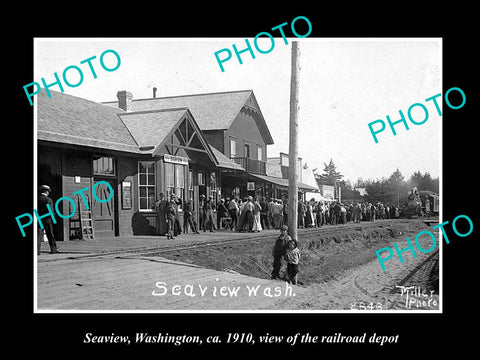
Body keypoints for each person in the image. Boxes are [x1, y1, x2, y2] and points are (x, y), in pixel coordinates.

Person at [37, 185, 59, 254]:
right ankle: (53, 249)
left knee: (39, 235)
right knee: (50, 234)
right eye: (48, 191)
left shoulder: (36, 199)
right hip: (47, 219)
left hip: (39, 218)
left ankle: (37, 250)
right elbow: (51, 212)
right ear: (46, 192)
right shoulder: (48, 200)